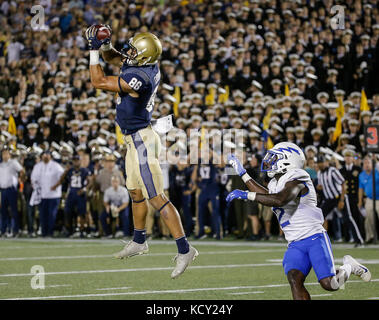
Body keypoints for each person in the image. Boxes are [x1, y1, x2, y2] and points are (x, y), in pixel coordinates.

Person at [84, 25, 198, 278]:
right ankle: (139, 240)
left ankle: (185, 249)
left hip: (143, 141)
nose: (129, 52)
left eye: (135, 50)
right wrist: (104, 45)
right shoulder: (143, 64)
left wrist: (92, 51)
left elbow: (98, 80)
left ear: (144, 56)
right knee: (135, 192)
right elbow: (114, 57)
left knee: (157, 197)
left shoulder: (141, 77)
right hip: (132, 140)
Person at [226, 142, 371, 300]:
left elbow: (280, 199)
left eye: (275, 158)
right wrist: (243, 174)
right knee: (294, 279)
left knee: (330, 284)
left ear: (288, 160)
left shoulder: (298, 176)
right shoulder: (276, 182)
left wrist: (247, 195)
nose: (269, 161)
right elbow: (268, 195)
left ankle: (349, 266)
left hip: (314, 237)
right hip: (294, 242)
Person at [51, 154, 91, 237]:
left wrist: (84, 189)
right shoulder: (70, 170)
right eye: (74, 160)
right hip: (71, 192)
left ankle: (82, 230)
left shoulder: (84, 170)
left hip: (80, 193)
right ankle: (69, 230)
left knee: (82, 213)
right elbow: (62, 179)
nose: (76, 162)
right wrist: (55, 185)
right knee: (68, 212)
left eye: (77, 160)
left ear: (80, 161)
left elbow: (90, 182)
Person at [31, 150, 64, 237]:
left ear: (51, 156)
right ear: (41, 157)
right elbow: (33, 179)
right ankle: (44, 232)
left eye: (47, 155)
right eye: (44, 155)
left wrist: (56, 185)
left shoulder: (56, 166)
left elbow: (62, 177)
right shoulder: (38, 166)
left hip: (54, 195)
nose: (45, 156)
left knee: (51, 214)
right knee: (42, 214)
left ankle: (50, 232)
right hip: (42, 194)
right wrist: (36, 188)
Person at [339, 149, 365, 246]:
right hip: (345, 197)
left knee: (356, 217)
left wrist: (362, 198)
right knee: (347, 219)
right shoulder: (341, 170)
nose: (348, 158)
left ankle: (359, 237)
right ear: (344, 158)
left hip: (355, 197)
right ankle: (348, 237)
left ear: (353, 158)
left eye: (350, 156)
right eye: (346, 156)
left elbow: (361, 184)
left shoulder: (358, 169)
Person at [316, 155, 345, 242]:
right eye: (319, 163)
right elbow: (321, 186)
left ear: (326, 162)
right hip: (328, 199)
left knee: (348, 218)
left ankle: (357, 239)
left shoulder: (332, 171)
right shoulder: (319, 173)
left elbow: (343, 183)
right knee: (319, 216)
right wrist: (319, 188)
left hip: (337, 197)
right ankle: (323, 237)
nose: (320, 165)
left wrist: (342, 200)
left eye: (322, 162)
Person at [0, 146, 25, 237]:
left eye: (6, 153)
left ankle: (15, 230)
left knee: (14, 211)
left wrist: (20, 180)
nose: (5, 155)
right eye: (3, 154)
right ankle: (3, 230)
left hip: (11, 189)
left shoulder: (13, 163)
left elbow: (22, 171)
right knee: (3, 211)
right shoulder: (1, 164)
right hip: (3, 190)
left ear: (9, 154)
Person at [358, 155, 379, 244]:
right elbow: (360, 189)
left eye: (368, 163)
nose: (367, 165)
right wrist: (360, 201)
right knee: (368, 218)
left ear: (372, 164)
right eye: (365, 163)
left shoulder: (377, 171)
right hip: (370, 199)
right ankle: (370, 237)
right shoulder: (361, 175)